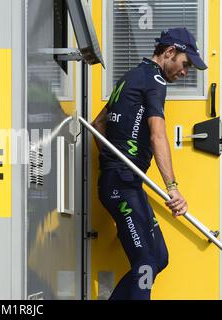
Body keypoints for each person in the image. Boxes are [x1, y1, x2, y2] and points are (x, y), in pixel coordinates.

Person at [91, 27, 207, 300]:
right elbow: (157, 135)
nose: (185, 72)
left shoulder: (132, 76)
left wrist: (111, 162)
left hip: (126, 181)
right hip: (122, 183)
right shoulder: (155, 80)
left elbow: (98, 124)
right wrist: (173, 188)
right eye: (185, 64)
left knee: (159, 258)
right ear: (169, 52)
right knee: (145, 263)